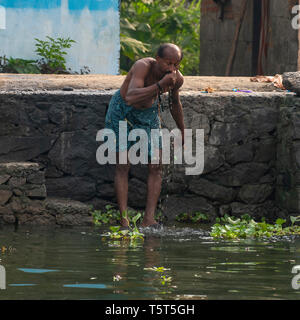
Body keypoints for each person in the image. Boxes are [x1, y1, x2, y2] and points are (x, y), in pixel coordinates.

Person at [104, 43, 185, 228]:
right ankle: (124, 219)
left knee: (156, 165)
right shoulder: (143, 66)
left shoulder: (176, 79)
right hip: (122, 112)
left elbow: (174, 104)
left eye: (176, 65)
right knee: (123, 164)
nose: (172, 69)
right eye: (168, 64)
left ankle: (149, 219)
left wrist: (182, 130)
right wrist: (159, 86)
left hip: (148, 116)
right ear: (157, 60)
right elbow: (131, 97)